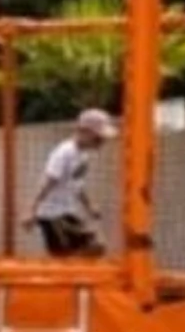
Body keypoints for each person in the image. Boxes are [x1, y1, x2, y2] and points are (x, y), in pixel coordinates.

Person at [28, 107, 118, 257]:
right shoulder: (64, 152)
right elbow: (48, 181)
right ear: (84, 132)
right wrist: (32, 210)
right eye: (98, 138)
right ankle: (67, 269)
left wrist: (89, 206)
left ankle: (69, 268)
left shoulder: (83, 155)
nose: (101, 142)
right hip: (53, 215)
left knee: (90, 247)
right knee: (91, 246)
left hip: (66, 212)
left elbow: (77, 185)